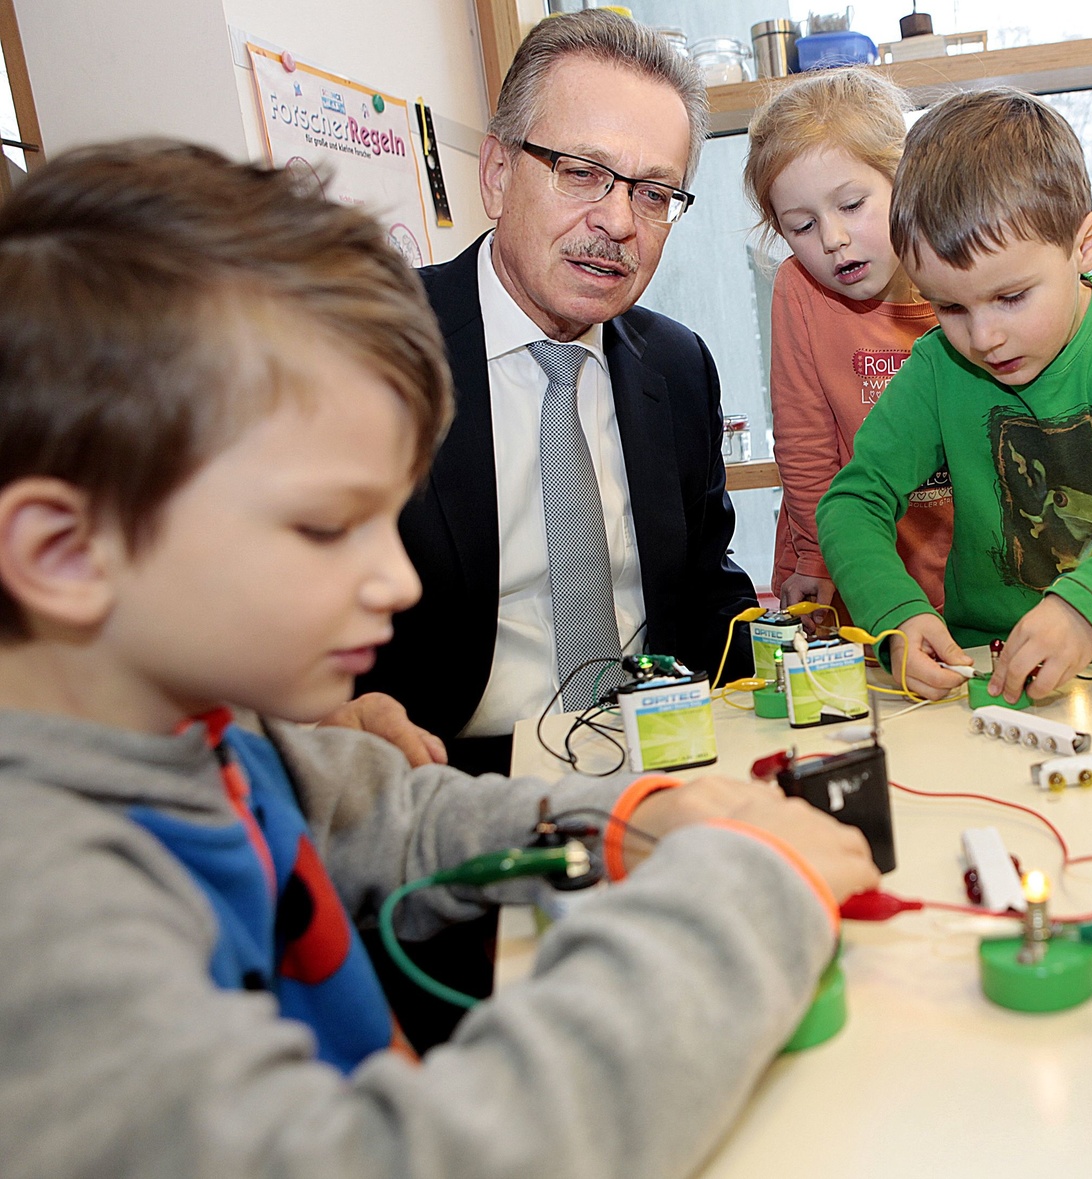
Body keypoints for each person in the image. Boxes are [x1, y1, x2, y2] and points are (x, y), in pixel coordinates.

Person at [0, 140, 879, 1179]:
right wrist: (743, 902)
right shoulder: (41, 904)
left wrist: (629, 818)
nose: (398, 580)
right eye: (328, 528)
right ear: (63, 552)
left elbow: (390, 815)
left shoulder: (205, 723)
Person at [359, 10, 757, 776]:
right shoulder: (370, 348)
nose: (616, 222)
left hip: (665, 763)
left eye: (653, 193)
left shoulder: (678, 366)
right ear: (498, 174)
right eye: (581, 172)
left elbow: (708, 594)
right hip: (451, 781)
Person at [815, 88, 1092, 703]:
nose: (983, 337)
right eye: (948, 306)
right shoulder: (937, 367)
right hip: (986, 670)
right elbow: (851, 503)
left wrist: (1088, 608)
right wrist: (898, 615)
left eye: (1011, 297)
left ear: (1084, 245)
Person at [744, 68, 951, 620]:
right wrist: (817, 556)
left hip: (959, 560)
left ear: (904, 181)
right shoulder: (799, 289)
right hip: (835, 559)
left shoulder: (959, 279)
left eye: (852, 205)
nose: (832, 239)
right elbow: (804, 441)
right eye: (801, 226)